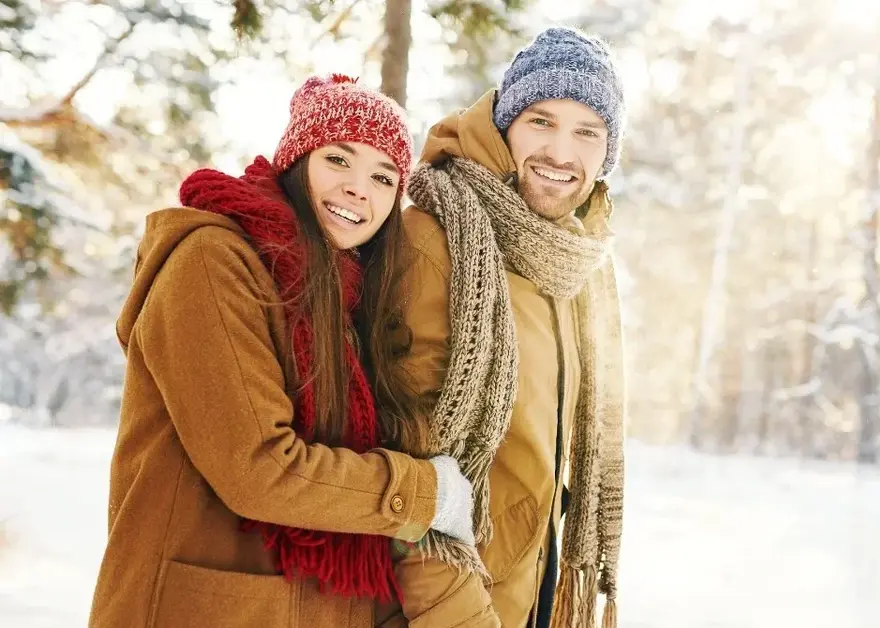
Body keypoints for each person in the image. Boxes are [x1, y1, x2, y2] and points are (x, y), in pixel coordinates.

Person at [87, 74, 476, 628]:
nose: (358, 189)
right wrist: (422, 494)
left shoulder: (349, 298)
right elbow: (260, 467)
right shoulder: (212, 263)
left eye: (383, 177)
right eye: (338, 160)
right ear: (297, 163)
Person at [387, 26, 628, 628]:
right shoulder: (438, 239)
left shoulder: (575, 262)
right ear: (504, 125)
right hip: (450, 608)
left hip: (531, 593)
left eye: (587, 132)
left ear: (607, 152)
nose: (561, 153)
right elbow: (410, 462)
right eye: (541, 121)